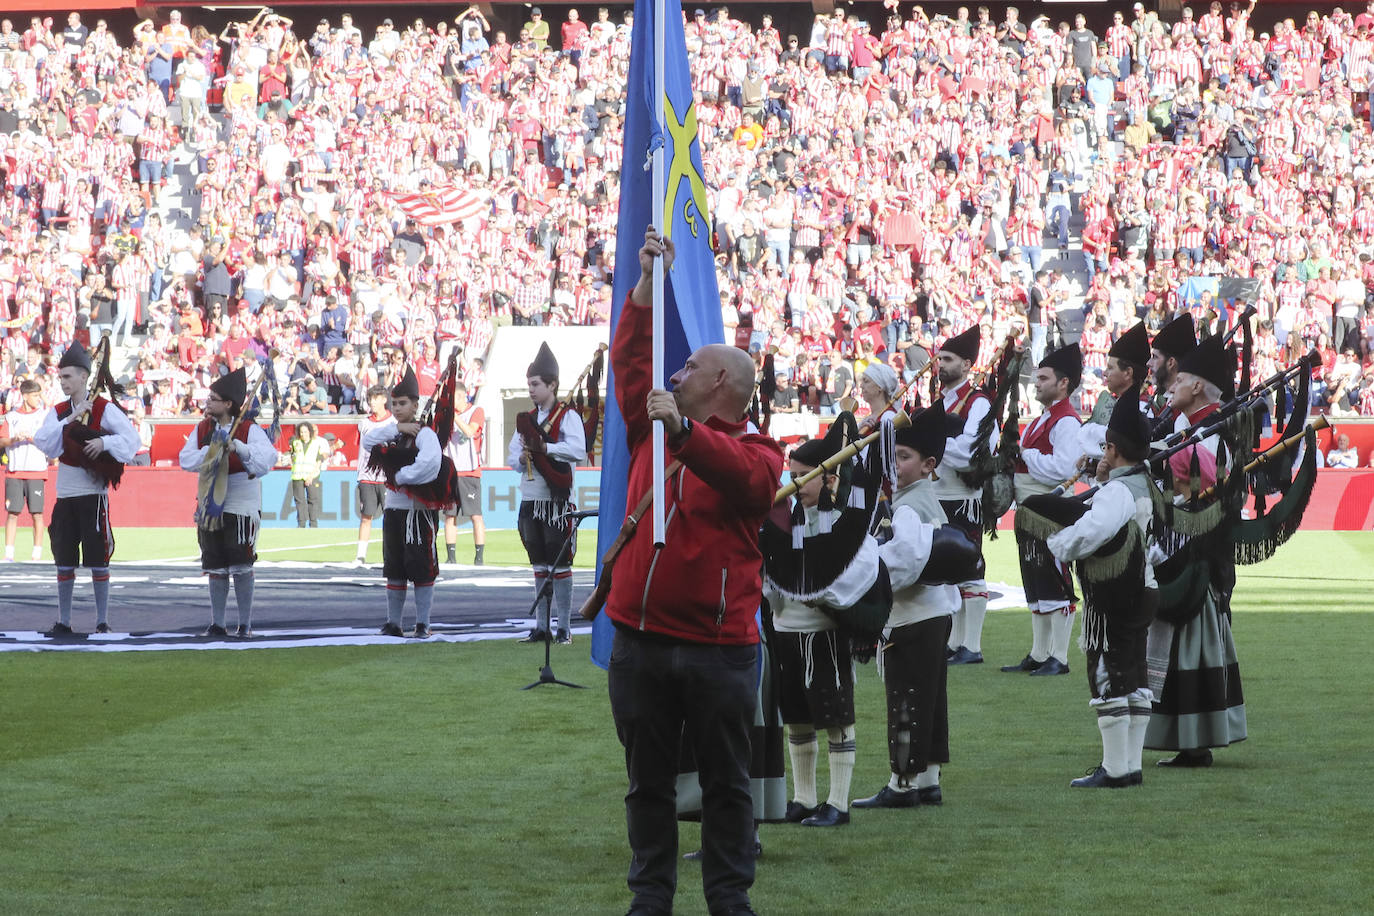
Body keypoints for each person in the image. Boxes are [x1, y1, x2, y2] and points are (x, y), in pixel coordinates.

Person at [604, 228, 783, 916]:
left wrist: (681, 432)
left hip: (717, 650)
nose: (670, 375)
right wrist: (649, 282)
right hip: (644, 640)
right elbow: (630, 360)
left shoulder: (760, 452)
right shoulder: (652, 421)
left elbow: (746, 479)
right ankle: (650, 898)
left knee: (726, 786)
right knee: (645, 783)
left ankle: (728, 900)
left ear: (719, 384)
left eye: (687, 370)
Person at [763, 423, 885, 831]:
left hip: (823, 633)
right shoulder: (783, 519)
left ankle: (838, 801)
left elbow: (862, 565)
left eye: (803, 475)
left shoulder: (843, 521)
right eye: (791, 476)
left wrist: (820, 593)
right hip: (786, 630)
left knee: (834, 714)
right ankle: (804, 798)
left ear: (828, 476)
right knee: (796, 715)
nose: (794, 483)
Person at [1037, 392, 1157, 787]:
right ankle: (1130, 765)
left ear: (1113, 448)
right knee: (1136, 678)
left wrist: (1058, 546)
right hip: (1146, 588)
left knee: (1108, 675)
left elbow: (1094, 529)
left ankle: (1116, 768)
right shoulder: (1147, 484)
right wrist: (1104, 479)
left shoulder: (1119, 492)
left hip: (1114, 593)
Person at [852, 401, 960, 808]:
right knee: (930, 699)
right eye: (893, 455)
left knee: (905, 698)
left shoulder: (911, 505)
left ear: (929, 463)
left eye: (904, 456)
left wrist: (871, 578)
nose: (895, 464)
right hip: (934, 613)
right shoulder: (923, 498)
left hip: (914, 614)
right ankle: (928, 778)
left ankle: (902, 785)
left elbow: (909, 557)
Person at [1147, 335, 1246, 767]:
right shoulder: (1188, 426)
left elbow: (1211, 484)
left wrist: (1159, 460)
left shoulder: (1218, 426)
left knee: (1193, 644)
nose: (1173, 385)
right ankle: (1185, 739)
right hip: (1177, 544)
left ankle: (1196, 740)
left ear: (1201, 387)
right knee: (1174, 645)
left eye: (1182, 378)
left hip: (1200, 552)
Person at [33, 341, 140, 637]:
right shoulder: (58, 411)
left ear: (83, 377)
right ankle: (64, 620)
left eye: (68, 377)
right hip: (66, 494)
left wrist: (104, 442)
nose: (63, 382)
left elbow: (132, 441)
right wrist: (71, 417)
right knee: (64, 559)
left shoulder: (103, 408)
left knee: (98, 561)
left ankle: (102, 621)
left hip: (93, 495)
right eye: (60, 377)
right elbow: (45, 442)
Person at [1004, 343, 1084, 676]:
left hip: (1050, 514)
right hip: (1031, 511)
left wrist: (1024, 454)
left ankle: (1059, 657)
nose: (1036, 383)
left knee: (1054, 581)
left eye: (1043, 378)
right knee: (1036, 584)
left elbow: (1064, 469)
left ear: (1063, 383)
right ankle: (1040, 654)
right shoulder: (1046, 418)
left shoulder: (1066, 421)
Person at [177, 368, 276, 637]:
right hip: (210, 504)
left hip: (241, 506)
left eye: (213, 398)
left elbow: (267, 460)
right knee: (215, 566)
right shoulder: (201, 428)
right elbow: (185, 459)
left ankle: (245, 623)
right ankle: (218, 623)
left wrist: (238, 448)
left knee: (242, 565)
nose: (207, 402)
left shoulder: (248, 429)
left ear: (228, 404)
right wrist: (212, 450)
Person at [508, 342, 586, 644]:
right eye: (529, 384)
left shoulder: (567, 417)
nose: (531, 389)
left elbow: (578, 450)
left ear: (552, 384)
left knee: (561, 564)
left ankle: (564, 627)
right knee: (539, 565)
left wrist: (546, 448)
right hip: (530, 500)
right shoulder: (526, 419)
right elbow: (511, 457)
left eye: (536, 384)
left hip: (556, 504)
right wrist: (522, 458)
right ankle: (542, 626)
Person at [359, 367, 442, 638]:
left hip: (418, 513)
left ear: (416, 405)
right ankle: (394, 622)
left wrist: (400, 476)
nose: (397, 408)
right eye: (394, 403)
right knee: (394, 567)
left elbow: (430, 464)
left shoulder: (426, 433)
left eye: (403, 403)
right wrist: (397, 427)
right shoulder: (392, 431)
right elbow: (368, 441)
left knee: (421, 568)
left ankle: (423, 623)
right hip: (394, 510)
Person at [933, 325, 995, 664]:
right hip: (938, 495)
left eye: (948, 359)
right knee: (947, 573)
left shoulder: (979, 402)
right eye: (940, 358)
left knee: (969, 570)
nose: (940, 364)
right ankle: (956, 643)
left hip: (963, 498)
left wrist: (934, 446)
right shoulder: (942, 402)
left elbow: (973, 452)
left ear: (967, 364)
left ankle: (972, 645)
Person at [1079, 321, 1150, 460]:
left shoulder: (1142, 409)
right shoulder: (1124, 403)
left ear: (1127, 373)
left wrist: (1088, 432)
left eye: (1111, 368)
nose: (1105, 373)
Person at [1, 379, 48, 562]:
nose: (38, 399)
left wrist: (32, 438)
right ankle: (9, 554)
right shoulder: (12, 417)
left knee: (37, 513)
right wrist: (14, 439)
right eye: (35, 395)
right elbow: (2, 440)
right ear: (26, 396)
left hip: (36, 470)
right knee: (12, 513)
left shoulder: (44, 416)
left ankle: (36, 554)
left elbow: (48, 442)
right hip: (15, 471)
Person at [443, 382, 486, 566]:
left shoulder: (476, 411)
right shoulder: (446, 415)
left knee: (475, 515)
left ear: (460, 397)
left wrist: (454, 417)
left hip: (470, 470)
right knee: (449, 515)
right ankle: (451, 557)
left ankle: (479, 557)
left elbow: (470, 431)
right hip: (451, 471)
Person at [353, 385, 390, 566]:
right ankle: (360, 555)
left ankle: (390, 555)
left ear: (384, 399)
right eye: (370, 399)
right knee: (366, 516)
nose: (372, 403)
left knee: (390, 518)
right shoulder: (364, 423)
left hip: (386, 477)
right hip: (366, 475)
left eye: (376, 399)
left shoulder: (393, 422)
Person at [1146, 314, 1198, 440]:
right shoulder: (1167, 401)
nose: (1149, 363)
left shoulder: (1186, 409)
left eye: (1155, 357)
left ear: (1171, 363)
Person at [288, 421, 328, 527]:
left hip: (312, 475)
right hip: (297, 475)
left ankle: (313, 524)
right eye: (301, 432)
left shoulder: (316, 443)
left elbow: (319, 461)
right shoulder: (295, 442)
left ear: (309, 432)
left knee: (312, 500)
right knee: (299, 501)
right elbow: (292, 456)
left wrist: (311, 476)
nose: (303, 434)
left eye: (305, 432)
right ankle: (301, 524)